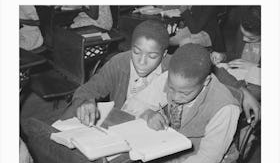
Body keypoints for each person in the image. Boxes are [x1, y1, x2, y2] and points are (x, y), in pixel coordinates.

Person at [61, 19, 260, 128]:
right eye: (136, 52)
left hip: (156, 128)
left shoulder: (172, 64)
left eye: (152, 56)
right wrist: (85, 101)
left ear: (164, 54)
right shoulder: (119, 63)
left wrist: (243, 91)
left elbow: (215, 71)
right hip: (123, 123)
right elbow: (86, 90)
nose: (141, 61)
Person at [143, 44, 240, 163]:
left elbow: (207, 160)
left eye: (184, 93)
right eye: (171, 88)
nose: (175, 96)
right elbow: (134, 104)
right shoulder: (176, 78)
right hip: (178, 150)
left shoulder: (225, 108)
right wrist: (147, 113)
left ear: (206, 82)